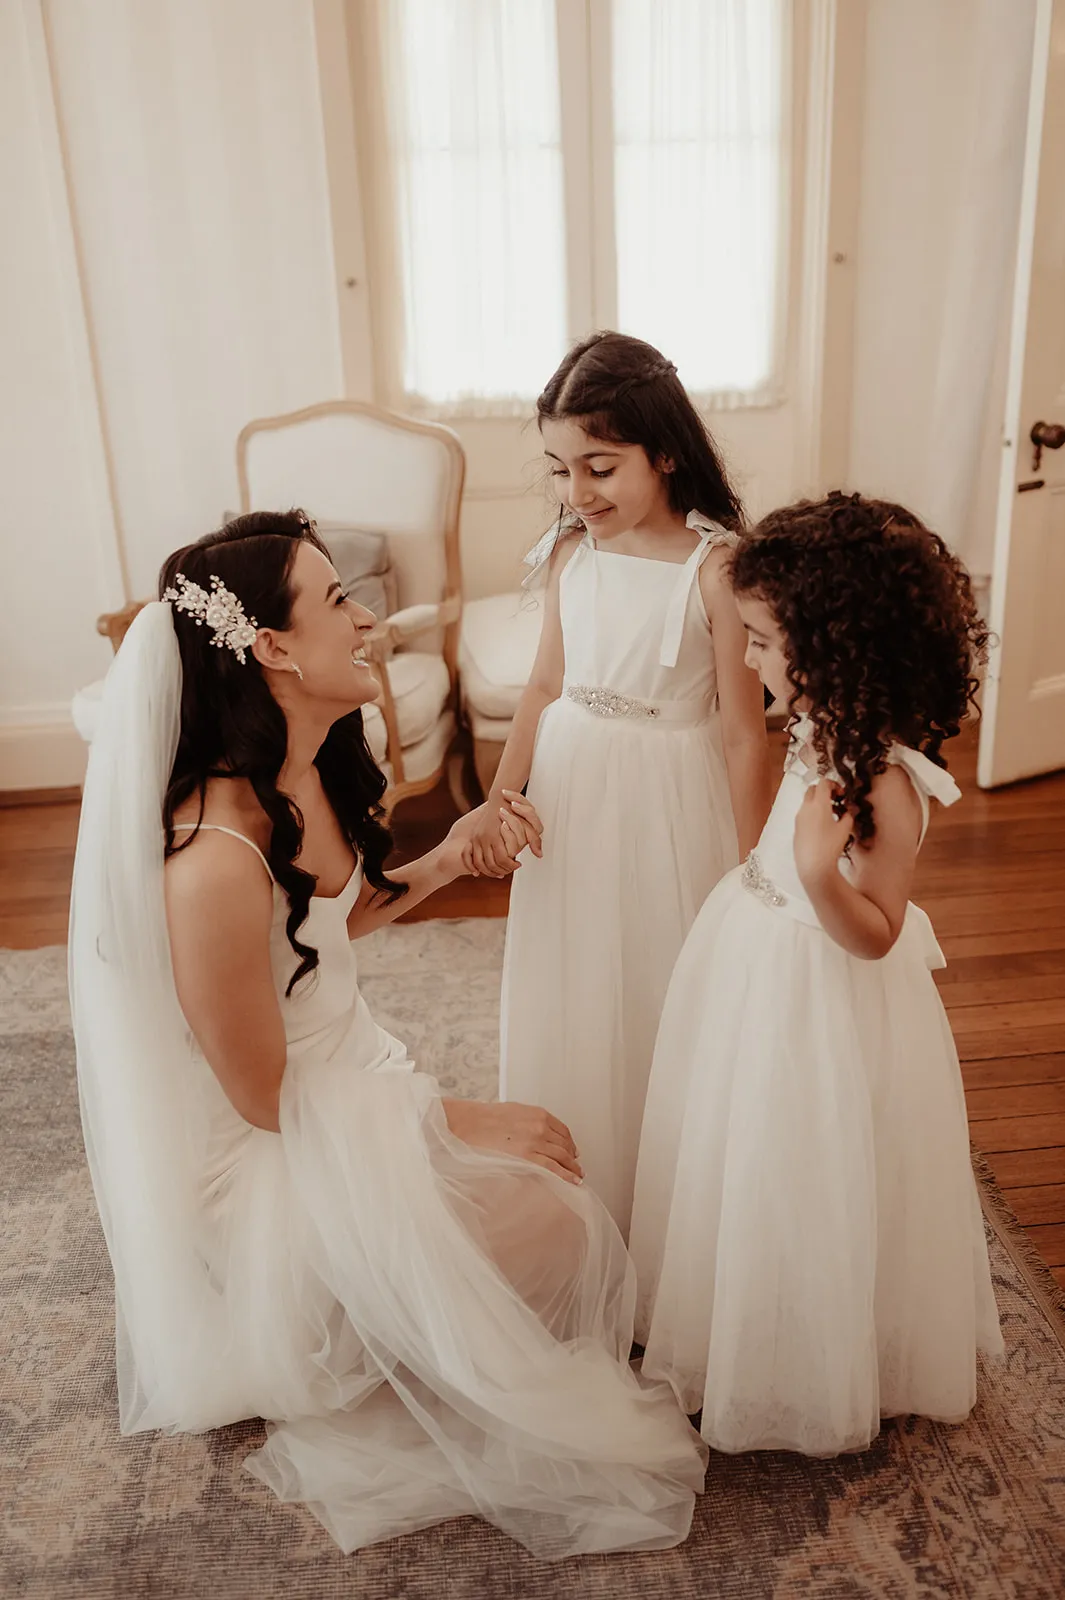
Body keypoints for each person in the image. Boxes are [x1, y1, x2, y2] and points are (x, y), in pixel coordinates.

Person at [69, 510, 707, 1559]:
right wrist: (457, 1122)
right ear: (272, 648)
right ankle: (351, 1337)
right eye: (337, 602)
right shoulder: (213, 861)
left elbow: (324, 920)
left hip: (344, 1090)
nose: (368, 620)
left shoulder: (308, 764)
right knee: (561, 1222)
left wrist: (452, 856)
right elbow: (262, 1097)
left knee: (559, 1197)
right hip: (272, 1161)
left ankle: (413, 1314)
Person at [630, 492, 1003, 1456]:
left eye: (759, 641)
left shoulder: (881, 775)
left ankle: (816, 1354)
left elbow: (875, 931)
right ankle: (745, 1319)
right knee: (747, 1149)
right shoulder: (818, 729)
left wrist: (807, 871)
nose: (745, 660)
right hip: (757, 960)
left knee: (809, 1159)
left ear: (832, 642)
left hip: (821, 993)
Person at [474, 331, 774, 1236]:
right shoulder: (571, 554)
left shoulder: (714, 567)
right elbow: (540, 687)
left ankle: (667, 1211)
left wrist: (758, 866)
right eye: (559, 470)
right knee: (574, 980)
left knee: (658, 982)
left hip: (667, 801)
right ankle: (578, 1201)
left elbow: (740, 731)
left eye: (598, 468)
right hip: (571, 789)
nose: (576, 493)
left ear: (666, 451)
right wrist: (496, 798)